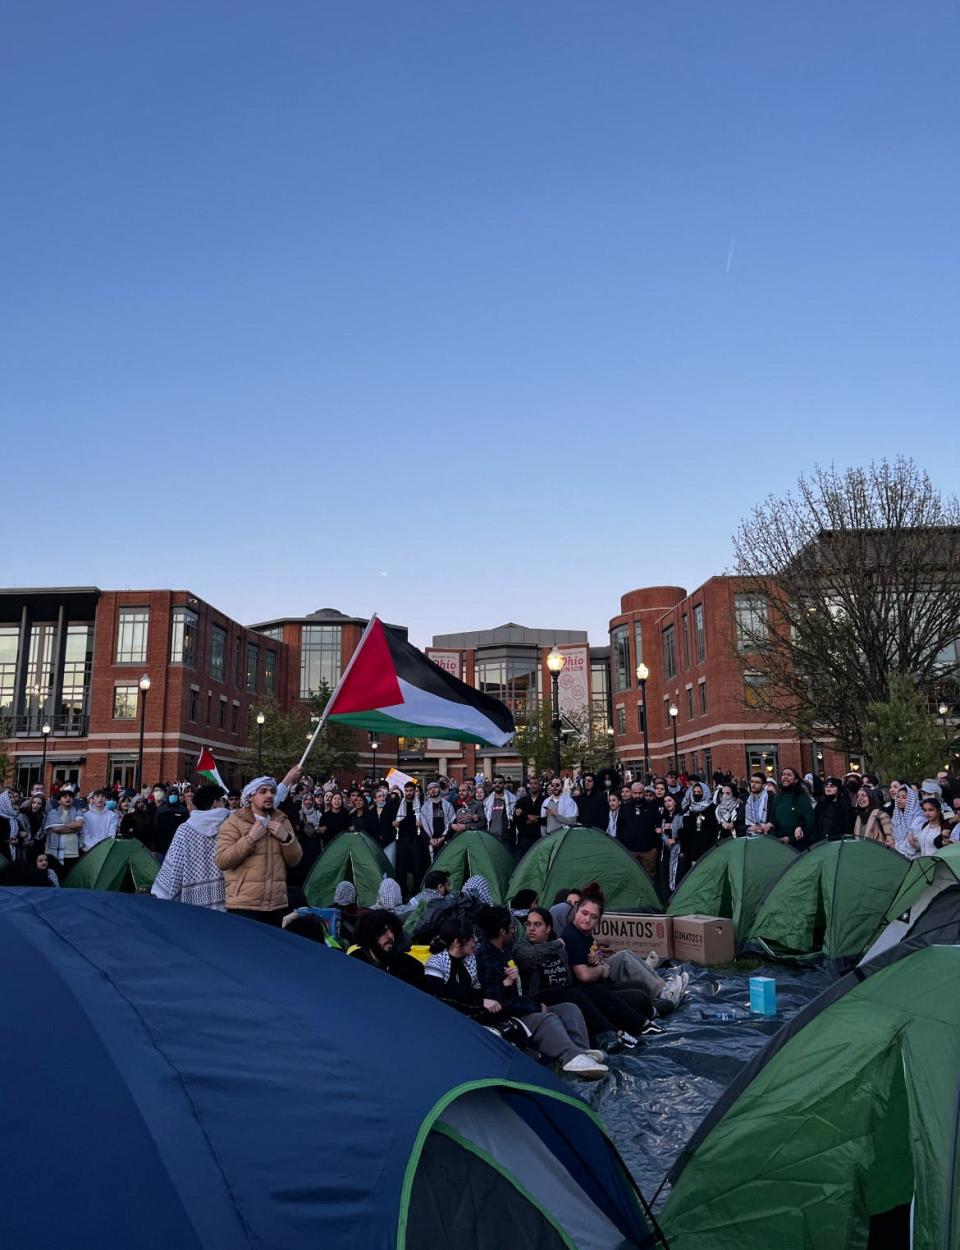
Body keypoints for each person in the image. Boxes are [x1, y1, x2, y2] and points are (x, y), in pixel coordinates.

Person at [429, 913, 607, 1079]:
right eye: (471, 939)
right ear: (457, 942)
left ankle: (580, 1052)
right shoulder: (446, 962)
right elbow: (441, 998)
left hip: (501, 1008)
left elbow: (480, 993)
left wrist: (505, 985)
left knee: (569, 1007)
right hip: (478, 1019)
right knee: (546, 1018)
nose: (475, 941)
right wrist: (490, 997)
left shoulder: (474, 959)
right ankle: (571, 1057)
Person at [515, 906, 652, 1052]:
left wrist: (595, 960)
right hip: (543, 997)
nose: (531, 929)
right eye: (528, 924)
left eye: (537, 924)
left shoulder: (566, 944)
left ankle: (642, 1025)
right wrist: (561, 943)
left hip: (569, 991)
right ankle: (613, 1032)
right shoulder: (523, 948)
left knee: (596, 991)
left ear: (548, 928)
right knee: (575, 995)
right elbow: (534, 955)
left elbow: (583, 964)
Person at [561, 891, 686, 1025]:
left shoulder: (583, 933)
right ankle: (661, 996)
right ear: (576, 911)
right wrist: (602, 969)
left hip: (601, 979)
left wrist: (598, 956)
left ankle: (661, 985)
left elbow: (592, 953)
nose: (587, 920)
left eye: (593, 917)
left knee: (638, 978)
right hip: (595, 987)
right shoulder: (572, 936)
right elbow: (584, 975)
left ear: (598, 920)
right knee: (634, 981)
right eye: (584, 913)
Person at [214, 776, 302, 925]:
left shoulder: (281, 820)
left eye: (272, 792)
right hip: (244, 905)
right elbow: (222, 860)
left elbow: (295, 860)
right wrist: (250, 839)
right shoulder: (234, 822)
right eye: (263, 791)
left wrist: (286, 839)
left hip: (275, 905)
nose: (269, 795)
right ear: (251, 796)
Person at [151, 784, 229, 909]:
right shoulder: (231, 827)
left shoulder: (185, 829)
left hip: (191, 903)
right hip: (225, 897)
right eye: (222, 800)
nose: (224, 804)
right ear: (215, 803)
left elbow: (173, 870)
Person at [347, 909, 425, 986]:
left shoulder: (410, 967)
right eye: (383, 932)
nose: (390, 936)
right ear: (370, 936)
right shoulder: (355, 962)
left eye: (392, 930)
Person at [393, 781, 429, 897]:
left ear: (415, 791)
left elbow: (421, 822)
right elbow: (396, 822)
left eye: (411, 790)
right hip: (402, 841)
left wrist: (403, 823)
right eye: (406, 791)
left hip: (416, 841)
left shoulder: (421, 805)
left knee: (417, 869)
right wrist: (411, 823)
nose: (408, 793)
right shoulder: (399, 804)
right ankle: (403, 893)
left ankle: (416, 893)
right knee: (401, 869)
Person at [678, 781, 718, 880]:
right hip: (692, 849)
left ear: (704, 792)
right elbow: (685, 829)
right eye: (694, 792)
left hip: (708, 848)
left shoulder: (713, 808)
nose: (696, 794)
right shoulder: (689, 809)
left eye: (699, 792)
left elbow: (715, 828)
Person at [42, 789, 84, 877]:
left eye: (70, 797)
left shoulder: (77, 811)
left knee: (70, 876)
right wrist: (73, 828)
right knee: (55, 876)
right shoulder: (53, 812)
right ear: (59, 801)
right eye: (65, 797)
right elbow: (56, 829)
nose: (68, 798)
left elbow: (79, 824)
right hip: (53, 851)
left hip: (72, 851)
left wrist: (63, 825)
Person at [770, 768, 815, 850]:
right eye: (783, 774)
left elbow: (809, 822)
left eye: (789, 775)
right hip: (779, 843)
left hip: (797, 845)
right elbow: (773, 820)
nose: (785, 777)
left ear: (796, 780)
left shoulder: (801, 797)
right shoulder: (778, 798)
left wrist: (791, 838)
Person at [812, 777, 855, 844]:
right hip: (821, 843)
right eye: (826, 785)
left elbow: (848, 829)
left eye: (832, 786)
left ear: (838, 790)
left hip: (838, 843)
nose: (828, 787)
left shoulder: (846, 807)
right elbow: (815, 825)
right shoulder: (820, 806)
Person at [419, 781, 456, 859]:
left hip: (444, 840)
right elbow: (422, 826)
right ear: (428, 792)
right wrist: (430, 840)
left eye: (435, 787)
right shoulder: (424, 808)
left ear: (439, 789)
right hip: (430, 842)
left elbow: (452, 823)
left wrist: (443, 838)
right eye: (430, 789)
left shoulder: (448, 805)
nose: (433, 790)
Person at [80, 788, 120, 855]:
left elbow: (111, 834)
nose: (100, 798)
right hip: (89, 850)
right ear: (92, 800)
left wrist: (104, 847)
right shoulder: (86, 816)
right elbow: (85, 835)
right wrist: (94, 847)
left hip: (106, 849)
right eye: (97, 796)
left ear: (106, 800)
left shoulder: (112, 815)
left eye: (102, 796)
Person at [482, 775, 516, 848]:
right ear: (492, 784)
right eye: (495, 783)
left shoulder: (512, 800)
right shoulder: (487, 801)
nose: (497, 784)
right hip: (490, 838)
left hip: (505, 839)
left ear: (504, 784)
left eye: (500, 783)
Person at [514, 777, 544, 859]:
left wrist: (536, 819)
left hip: (540, 838)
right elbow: (516, 819)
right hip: (524, 839)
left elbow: (547, 818)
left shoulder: (545, 800)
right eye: (531, 784)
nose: (533, 785)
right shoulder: (521, 801)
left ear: (540, 786)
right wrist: (527, 817)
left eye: (535, 783)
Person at [891, 784, 924, 856]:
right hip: (897, 855)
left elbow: (915, 844)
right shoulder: (896, 816)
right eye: (898, 797)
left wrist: (895, 847)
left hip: (915, 857)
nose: (899, 799)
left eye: (904, 797)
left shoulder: (919, 817)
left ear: (911, 800)